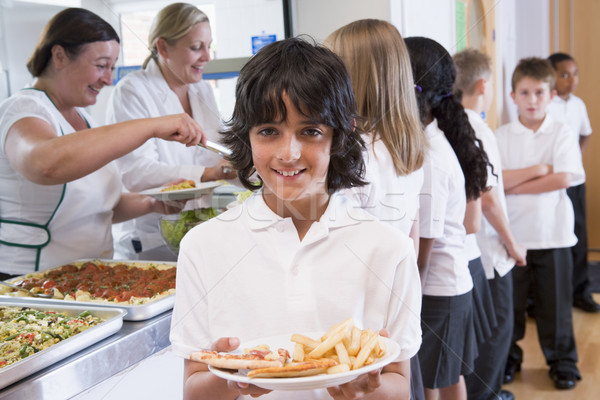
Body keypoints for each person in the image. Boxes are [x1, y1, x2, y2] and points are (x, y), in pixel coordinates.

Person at [169, 37, 422, 400]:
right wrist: (228, 378)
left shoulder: (388, 248)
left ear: (342, 133)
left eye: (311, 131)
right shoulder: (202, 246)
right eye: (269, 131)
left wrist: (363, 391)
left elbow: (399, 383)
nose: (288, 153)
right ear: (247, 136)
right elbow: (193, 388)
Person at [0, 8, 205, 279]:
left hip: (87, 277)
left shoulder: (84, 118)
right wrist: (153, 126)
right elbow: (45, 165)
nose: (108, 79)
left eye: (111, 67)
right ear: (59, 56)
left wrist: (153, 203)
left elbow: (100, 206)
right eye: (100, 66)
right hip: (30, 282)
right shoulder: (23, 109)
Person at [324, 19, 426, 400]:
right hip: (394, 299)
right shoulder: (408, 146)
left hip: (359, 309)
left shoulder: (355, 152)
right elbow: (411, 233)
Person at [106, 2, 236, 261]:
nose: (207, 57)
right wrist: (210, 173)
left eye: (208, 46)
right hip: (150, 234)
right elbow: (135, 172)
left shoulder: (201, 90)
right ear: (163, 47)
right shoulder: (132, 92)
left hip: (196, 226)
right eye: (196, 47)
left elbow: (221, 149)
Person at [405, 37, 490, 400]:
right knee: (448, 376)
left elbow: (425, 243)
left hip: (437, 289)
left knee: (433, 382)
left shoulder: (431, 154)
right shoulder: (436, 138)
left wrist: (410, 298)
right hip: (450, 283)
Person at [496, 57, 584, 390]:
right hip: (511, 235)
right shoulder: (500, 135)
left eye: (539, 93)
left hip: (554, 235)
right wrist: (537, 169)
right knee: (512, 305)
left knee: (555, 305)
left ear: (549, 96)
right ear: (512, 95)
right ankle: (508, 359)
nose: (532, 100)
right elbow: (495, 182)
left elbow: (563, 178)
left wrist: (513, 183)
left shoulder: (561, 132)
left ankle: (563, 362)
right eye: (525, 92)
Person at [453, 48, 527, 400]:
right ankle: (487, 395)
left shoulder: (440, 126)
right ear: (483, 85)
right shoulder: (478, 130)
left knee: (475, 333)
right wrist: (513, 244)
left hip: (459, 253)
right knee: (497, 329)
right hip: (488, 252)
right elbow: (491, 198)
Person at [546, 52, 598, 312]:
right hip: (551, 182)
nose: (571, 80)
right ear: (551, 75)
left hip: (574, 182)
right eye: (564, 74)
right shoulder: (545, 104)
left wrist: (575, 159)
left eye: (574, 74)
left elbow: (585, 134)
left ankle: (581, 291)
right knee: (551, 235)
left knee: (579, 235)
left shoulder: (577, 104)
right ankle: (541, 297)